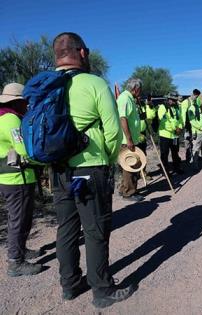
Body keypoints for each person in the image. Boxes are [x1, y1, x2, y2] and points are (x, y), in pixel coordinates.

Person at [50, 32, 133, 308]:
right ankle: (102, 289)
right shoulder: (95, 83)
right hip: (90, 169)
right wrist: (109, 161)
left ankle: (70, 285)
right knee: (95, 229)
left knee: (66, 229)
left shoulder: (47, 86)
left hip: (58, 170)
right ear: (82, 53)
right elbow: (113, 132)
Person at [0, 83, 43, 277]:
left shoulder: (2, 116)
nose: (27, 105)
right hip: (18, 177)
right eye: (25, 102)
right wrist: (43, 159)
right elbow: (23, 150)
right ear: (17, 102)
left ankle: (21, 249)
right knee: (18, 219)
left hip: (9, 177)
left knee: (20, 217)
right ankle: (15, 262)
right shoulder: (11, 119)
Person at [117, 78, 144, 202]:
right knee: (131, 166)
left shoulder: (130, 99)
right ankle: (129, 192)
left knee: (128, 165)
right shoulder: (125, 98)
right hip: (127, 140)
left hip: (131, 139)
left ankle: (124, 189)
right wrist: (129, 139)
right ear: (135, 88)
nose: (140, 91)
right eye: (140, 89)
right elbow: (123, 119)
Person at [158, 93, 183, 174]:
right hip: (165, 135)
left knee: (175, 153)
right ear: (168, 99)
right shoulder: (163, 107)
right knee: (164, 154)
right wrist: (175, 129)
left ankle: (177, 168)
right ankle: (165, 171)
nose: (174, 101)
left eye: (175, 100)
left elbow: (180, 119)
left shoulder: (176, 108)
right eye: (172, 100)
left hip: (175, 136)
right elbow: (164, 122)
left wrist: (180, 127)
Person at [180, 89, 201, 163]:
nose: (196, 97)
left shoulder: (195, 102)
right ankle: (188, 157)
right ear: (192, 94)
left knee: (195, 141)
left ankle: (195, 155)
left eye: (197, 96)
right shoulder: (186, 102)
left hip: (194, 125)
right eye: (195, 95)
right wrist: (183, 124)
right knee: (187, 141)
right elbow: (183, 114)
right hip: (187, 125)